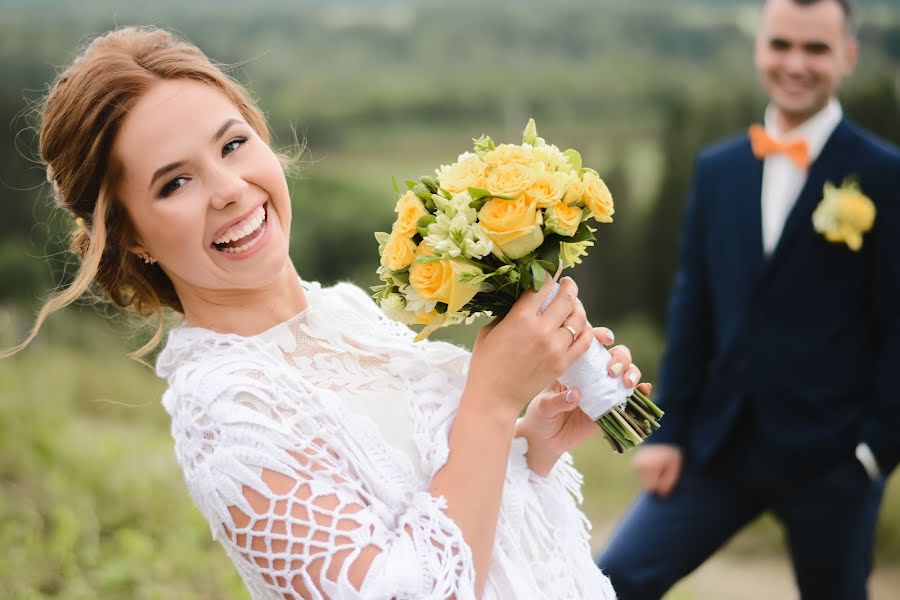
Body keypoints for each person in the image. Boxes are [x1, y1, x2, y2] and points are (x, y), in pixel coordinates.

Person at [6, 26, 653, 599]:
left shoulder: (341, 311)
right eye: (175, 183)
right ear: (130, 237)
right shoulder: (227, 410)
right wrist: (489, 398)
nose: (229, 189)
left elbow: (445, 504)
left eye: (232, 145)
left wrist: (531, 441)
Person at [598, 0, 900, 598]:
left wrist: (873, 451)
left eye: (815, 49)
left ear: (848, 56)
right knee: (615, 577)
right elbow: (694, 308)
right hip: (721, 444)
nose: (796, 63)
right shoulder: (718, 169)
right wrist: (667, 433)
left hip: (832, 458)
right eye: (781, 44)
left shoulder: (885, 175)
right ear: (759, 47)